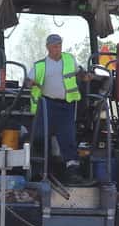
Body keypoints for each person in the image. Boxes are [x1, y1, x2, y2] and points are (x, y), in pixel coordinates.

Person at [26, 33, 90, 184]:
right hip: (47, 105)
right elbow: (28, 80)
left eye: (59, 45)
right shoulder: (40, 65)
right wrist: (30, 83)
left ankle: (72, 173)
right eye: (55, 46)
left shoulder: (69, 59)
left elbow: (79, 72)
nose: (58, 48)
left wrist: (86, 76)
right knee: (40, 137)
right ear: (48, 47)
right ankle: (39, 172)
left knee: (68, 137)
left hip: (66, 105)